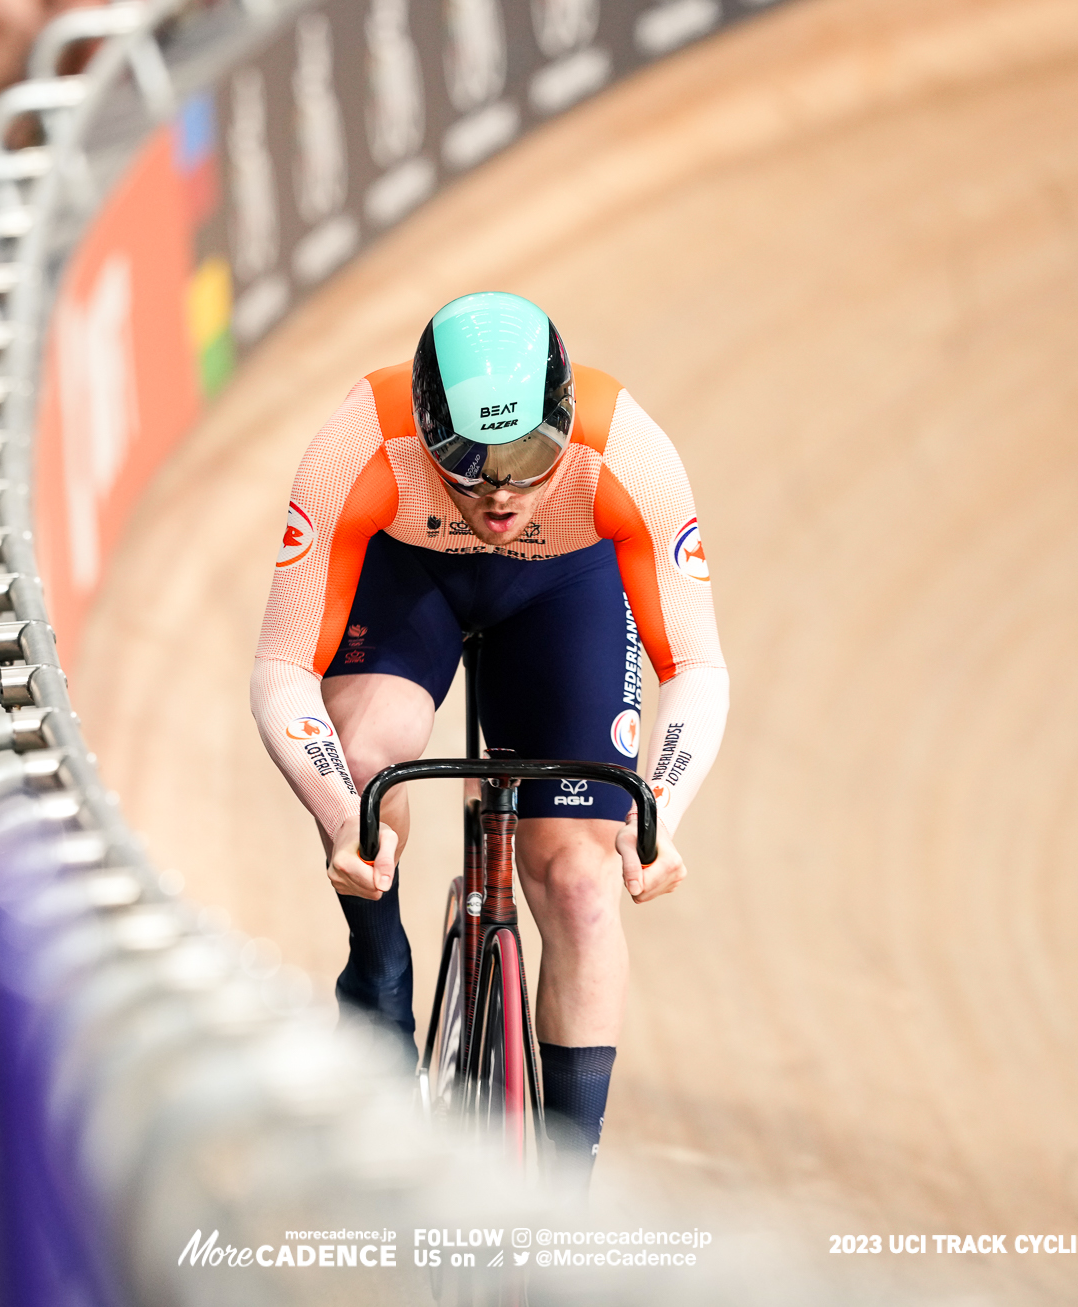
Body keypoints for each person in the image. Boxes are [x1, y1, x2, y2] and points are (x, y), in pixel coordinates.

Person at [251, 291, 729, 1184]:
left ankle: (564, 1201)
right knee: (365, 770)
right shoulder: (359, 443)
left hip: (563, 588)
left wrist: (660, 808)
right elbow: (281, 670)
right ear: (425, 426)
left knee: (582, 886)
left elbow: (698, 669)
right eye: (466, 461)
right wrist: (340, 815)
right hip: (411, 572)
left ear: (563, 419)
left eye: (524, 457)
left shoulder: (627, 451)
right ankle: (380, 963)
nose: (500, 491)